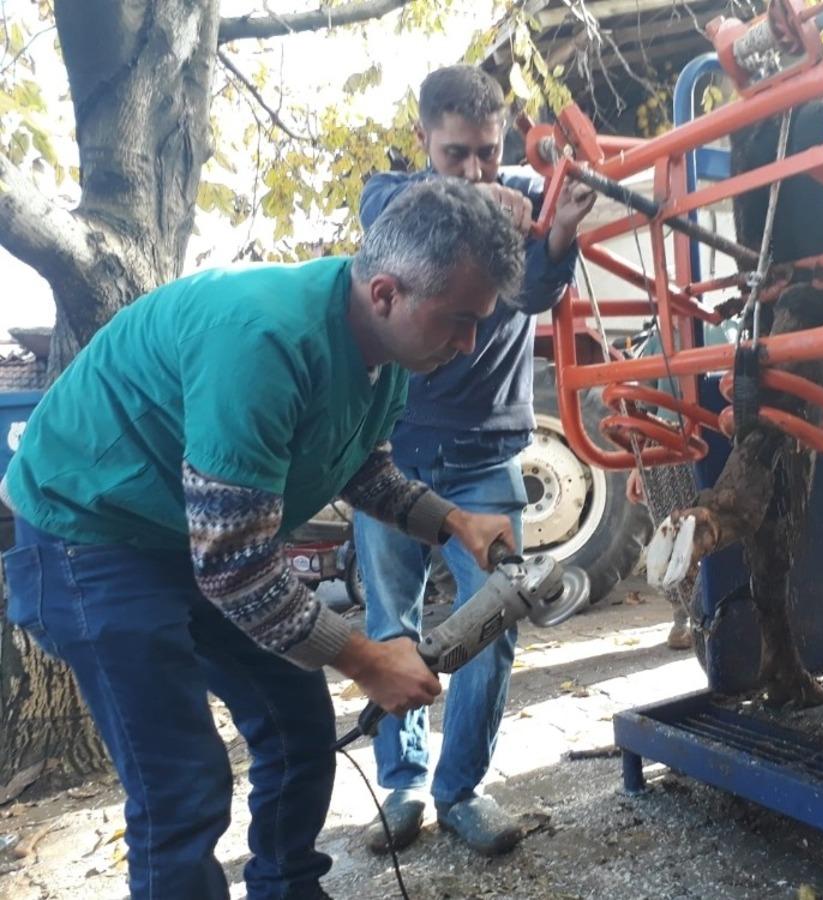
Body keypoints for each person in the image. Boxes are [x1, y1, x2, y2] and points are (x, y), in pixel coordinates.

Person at [0, 178, 524, 900]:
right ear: (385, 293)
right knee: (180, 784)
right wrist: (367, 659)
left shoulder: (389, 354)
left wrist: (453, 521)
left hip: (190, 531)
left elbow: (361, 469)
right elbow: (239, 573)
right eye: (459, 321)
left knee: (297, 727)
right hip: (89, 532)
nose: (468, 346)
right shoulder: (264, 339)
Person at [353, 64, 595, 857]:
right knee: (392, 626)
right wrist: (479, 207)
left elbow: (529, 294)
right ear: (424, 139)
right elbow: (395, 216)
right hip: (396, 453)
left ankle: (461, 789)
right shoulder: (391, 197)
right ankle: (403, 787)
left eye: (488, 154)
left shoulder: (525, 192)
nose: (477, 170)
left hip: (489, 450)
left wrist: (555, 235)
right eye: (456, 154)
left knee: (496, 623)